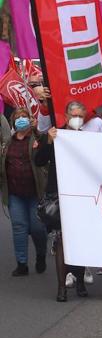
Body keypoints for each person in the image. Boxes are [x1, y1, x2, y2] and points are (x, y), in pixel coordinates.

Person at [34, 101, 89, 301]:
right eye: (73, 114)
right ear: (66, 116)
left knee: (79, 241)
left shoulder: (89, 139)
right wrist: (48, 141)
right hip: (58, 195)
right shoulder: (55, 135)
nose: (76, 118)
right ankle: (61, 288)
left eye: (80, 115)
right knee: (60, 241)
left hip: (82, 196)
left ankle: (80, 281)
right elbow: (39, 160)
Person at [0, 108, 47, 277]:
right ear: (13, 122)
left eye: (24, 117)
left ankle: (41, 255)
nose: (21, 120)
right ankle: (22, 264)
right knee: (19, 227)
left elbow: (46, 148)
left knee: (37, 228)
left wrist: (37, 133)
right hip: (15, 193)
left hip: (35, 193)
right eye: (17, 117)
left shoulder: (36, 139)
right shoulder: (8, 143)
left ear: (30, 120)